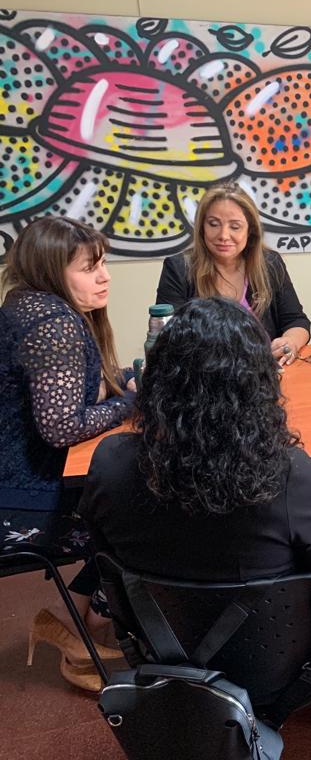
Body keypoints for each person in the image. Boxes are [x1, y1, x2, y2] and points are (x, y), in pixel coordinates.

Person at [79, 297, 311, 720]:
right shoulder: (284, 472)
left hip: (163, 646)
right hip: (280, 664)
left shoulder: (109, 459)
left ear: (158, 378)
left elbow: (103, 560)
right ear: (258, 384)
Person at [0, 216, 133, 691]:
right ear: (53, 271)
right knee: (140, 510)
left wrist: (120, 383)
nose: (105, 276)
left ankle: (73, 624)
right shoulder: (52, 323)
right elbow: (60, 428)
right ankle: (79, 623)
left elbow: (67, 392)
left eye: (103, 264)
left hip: (16, 482)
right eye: (89, 268)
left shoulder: (27, 303)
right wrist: (132, 401)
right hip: (20, 504)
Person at [156, 183, 311, 366]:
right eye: (213, 224)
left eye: (235, 226)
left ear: (250, 230)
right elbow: (167, 340)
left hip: (266, 378)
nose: (223, 235)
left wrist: (290, 342)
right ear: (201, 228)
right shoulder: (179, 268)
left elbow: (296, 321)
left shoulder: (270, 264)